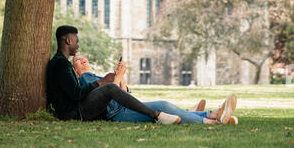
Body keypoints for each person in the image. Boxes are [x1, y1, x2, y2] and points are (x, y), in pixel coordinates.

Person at [46, 25, 185, 124]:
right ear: (68, 41)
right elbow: (76, 94)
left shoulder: (60, 62)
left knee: (110, 88)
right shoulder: (60, 63)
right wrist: (102, 82)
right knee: (110, 88)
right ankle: (156, 116)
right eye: (76, 41)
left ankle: (163, 115)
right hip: (74, 114)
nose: (78, 45)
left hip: (78, 109)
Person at [73, 54, 238, 125]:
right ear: (75, 70)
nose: (82, 59)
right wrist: (118, 77)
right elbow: (112, 103)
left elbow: (124, 94)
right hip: (119, 114)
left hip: (126, 107)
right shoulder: (85, 80)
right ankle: (210, 121)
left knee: (165, 107)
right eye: (77, 61)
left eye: (82, 58)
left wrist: (120, 76)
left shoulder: (94, 76)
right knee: (164, 106)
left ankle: (214, 114)